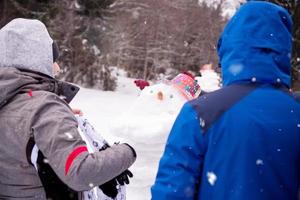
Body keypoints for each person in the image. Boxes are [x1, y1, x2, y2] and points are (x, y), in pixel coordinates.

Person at [151, 1, 300, 200]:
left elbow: (171, 192)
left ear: (230, 47)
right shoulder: (294, 111)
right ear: (283, 52)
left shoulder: (200, 112)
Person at [0, 18, 136, 199]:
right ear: (37, 59)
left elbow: (19, 133)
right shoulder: (46, 108)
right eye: (53, 57)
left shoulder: (8, 102)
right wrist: (127, 151)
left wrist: (54, 120)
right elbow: (81, 172)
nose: (58, 67)